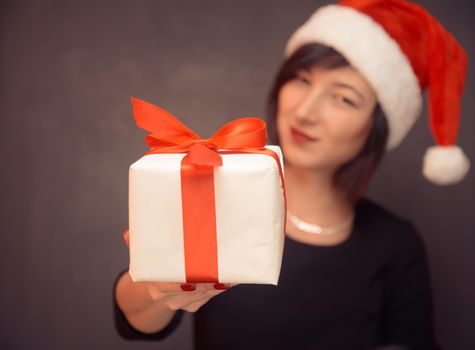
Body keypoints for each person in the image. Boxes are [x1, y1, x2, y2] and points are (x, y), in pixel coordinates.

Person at [114, 0, 470, 349]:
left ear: (377, 129)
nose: (306, 111)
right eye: (301, 80)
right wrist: (154, 284)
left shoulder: (395, 244)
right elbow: (136, 321)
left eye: (344, 98)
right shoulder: (219, 196)